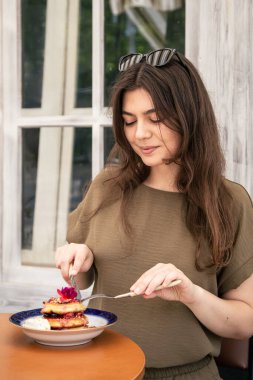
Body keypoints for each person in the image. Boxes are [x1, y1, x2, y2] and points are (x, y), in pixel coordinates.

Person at [55, 48, 253, 379]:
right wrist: (79, 257)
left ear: (189, 115)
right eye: (129, 121)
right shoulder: (106, 187)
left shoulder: (229, 202)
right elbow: (83, 279)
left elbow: (244, 322)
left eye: (155, 119)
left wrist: (190, 293)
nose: (140, 134)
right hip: (99, 372)